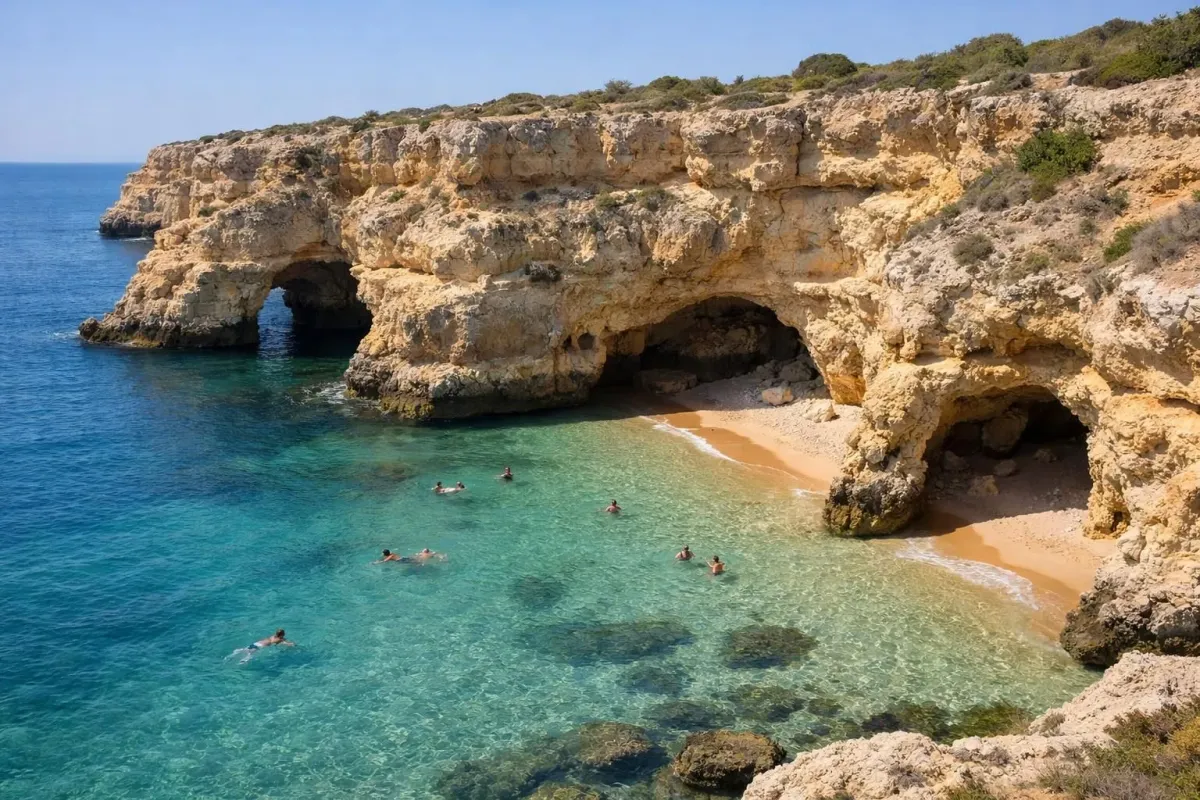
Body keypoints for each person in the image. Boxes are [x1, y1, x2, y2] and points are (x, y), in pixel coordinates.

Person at [229, 629, 295, 663]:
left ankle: (239, 650)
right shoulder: (280, 639)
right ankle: (244, 660)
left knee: (247, 649)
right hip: (260, 646)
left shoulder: (272, 636)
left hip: (257, 643)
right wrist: (292, 644)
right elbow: (286, 643)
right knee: (250, 654)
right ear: (282, 635)